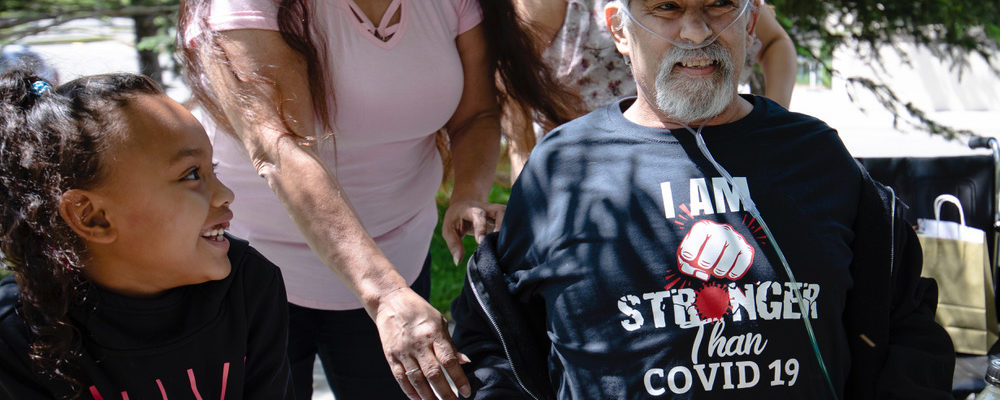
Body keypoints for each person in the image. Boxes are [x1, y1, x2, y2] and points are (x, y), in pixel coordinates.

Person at [449, 0, 954, 398]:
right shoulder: (563, 167)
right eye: (666, 7)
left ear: (749, 22)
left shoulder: (816, 155)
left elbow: (904, 321)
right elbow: (495, 336)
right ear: (620, 30)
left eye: (718, 5)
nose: (695, 32)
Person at [178, 0, 578, 399]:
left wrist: (468, 193)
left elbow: (476, 113)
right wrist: (386, 295)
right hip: (254, 270)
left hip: (398, 255)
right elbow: (282, 153)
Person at [0, 71, 291, 399]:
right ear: (92, 217)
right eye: (191, 174)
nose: (225, 194)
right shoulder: (17, 334)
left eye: (213, 170)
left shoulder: (249, 284)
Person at [503, 0, 797, 179]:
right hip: (584, 167)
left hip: (703, 157)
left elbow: (776, 42)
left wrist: (768, 129)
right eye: (667, 6)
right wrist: (524, 169)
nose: (695, 32)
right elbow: (512, 77)